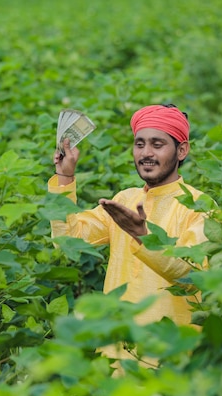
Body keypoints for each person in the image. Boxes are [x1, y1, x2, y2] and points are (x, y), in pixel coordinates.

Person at [49, 104, 208, 328]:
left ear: (182, 150)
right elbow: (69, 242)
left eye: (157, 144)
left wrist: (142, 236)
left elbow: (191, 275)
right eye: (139, 144)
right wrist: (64, 177)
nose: (146, 153)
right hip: (115, 344)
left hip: (171, 351)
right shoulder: (125, 200)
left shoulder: (199, 206)